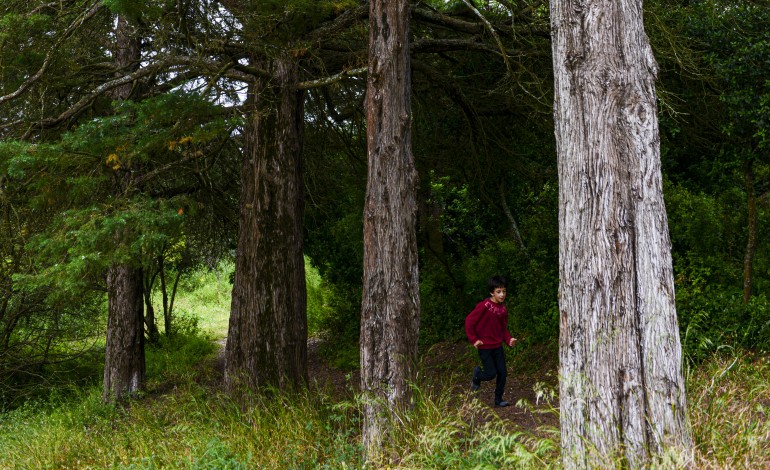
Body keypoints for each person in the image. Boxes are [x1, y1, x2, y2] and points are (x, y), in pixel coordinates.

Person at [465, 275, 517, 407]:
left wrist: (509, 339)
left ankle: (498, 399)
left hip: (497, 346)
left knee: (503, 373)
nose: (502, 294)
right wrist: (474, 339)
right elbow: (469, 321)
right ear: (492, 292)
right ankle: (477, 375)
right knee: (490, 374)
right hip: (485, 347)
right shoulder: (484, 306)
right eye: (499, 292)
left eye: (504, 291)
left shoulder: (503, 310)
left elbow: (503, 329)